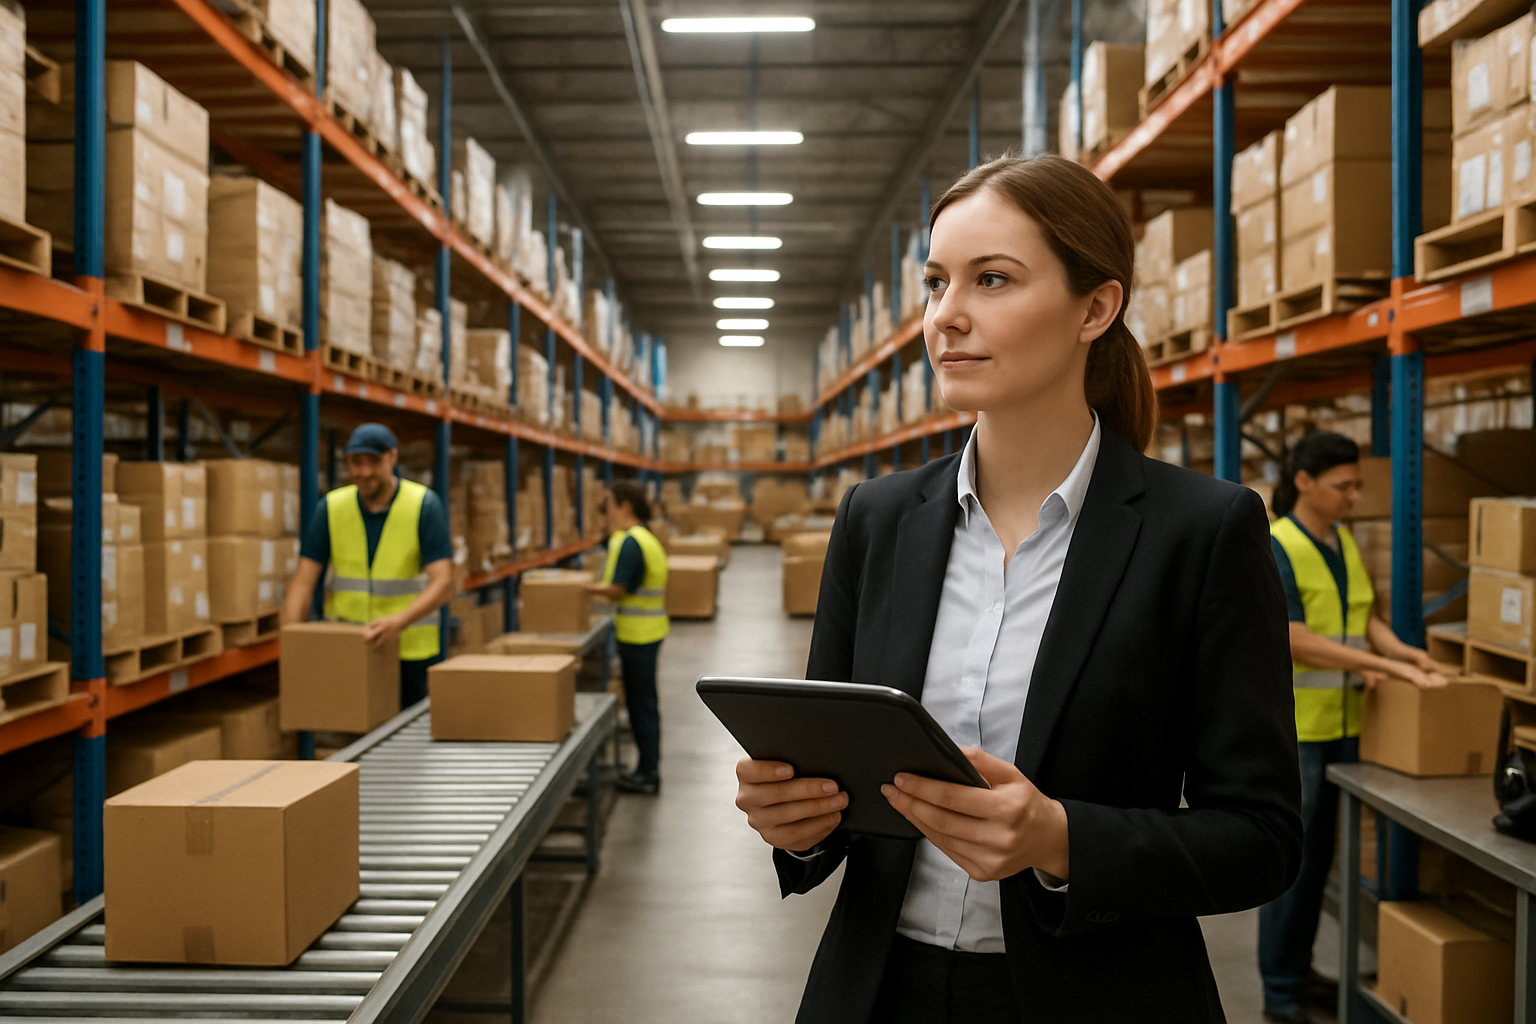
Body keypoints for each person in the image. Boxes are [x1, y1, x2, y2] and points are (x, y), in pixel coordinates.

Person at [730, 153, 1303, 1024]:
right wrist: (796, 821)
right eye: (935, 283)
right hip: (882, 991)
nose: (947, 317)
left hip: (1099, 994)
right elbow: (835, 783)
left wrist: (1061, 840)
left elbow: (1261, 840)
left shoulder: (1204, 532)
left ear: (1096, 308)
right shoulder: (875, 521)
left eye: (992, 279)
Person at [1257, 430, 1448, 1024]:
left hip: (1345, 726)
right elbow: (1297, 639)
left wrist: (1405, 653)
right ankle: (1280, 994)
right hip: (1300, 731)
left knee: (1320, 868)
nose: (1355, 496)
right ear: (1306, 482)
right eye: (1344, 485)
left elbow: (1364, 621)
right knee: (1291, 867)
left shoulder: (1341, 542)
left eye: (1358, 484)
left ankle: (1301, 972)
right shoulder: (1275, 544)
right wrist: (1383, 665)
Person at [282, 423, 455, 708]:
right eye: (356, 463)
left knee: (407, 745)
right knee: (352, 745)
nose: (364, 472)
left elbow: (444, 583)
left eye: (373, 462)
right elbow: (302, 583)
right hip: (350, 652)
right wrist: (294, 648)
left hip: (410, 654)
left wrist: (399, 622)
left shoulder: (423, 506)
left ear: (392, 458)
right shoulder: (332, 508)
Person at [585, 479, 669, 795]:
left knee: (641, 704)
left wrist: (583, 589)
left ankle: (647, 772)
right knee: (643, 701)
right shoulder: (646, 538)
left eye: (610, 505)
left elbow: (618, 589)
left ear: (624, 506)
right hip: (649, 631)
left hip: (639, 636)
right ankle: (647, 767)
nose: (607, 511)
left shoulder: (632, 542)